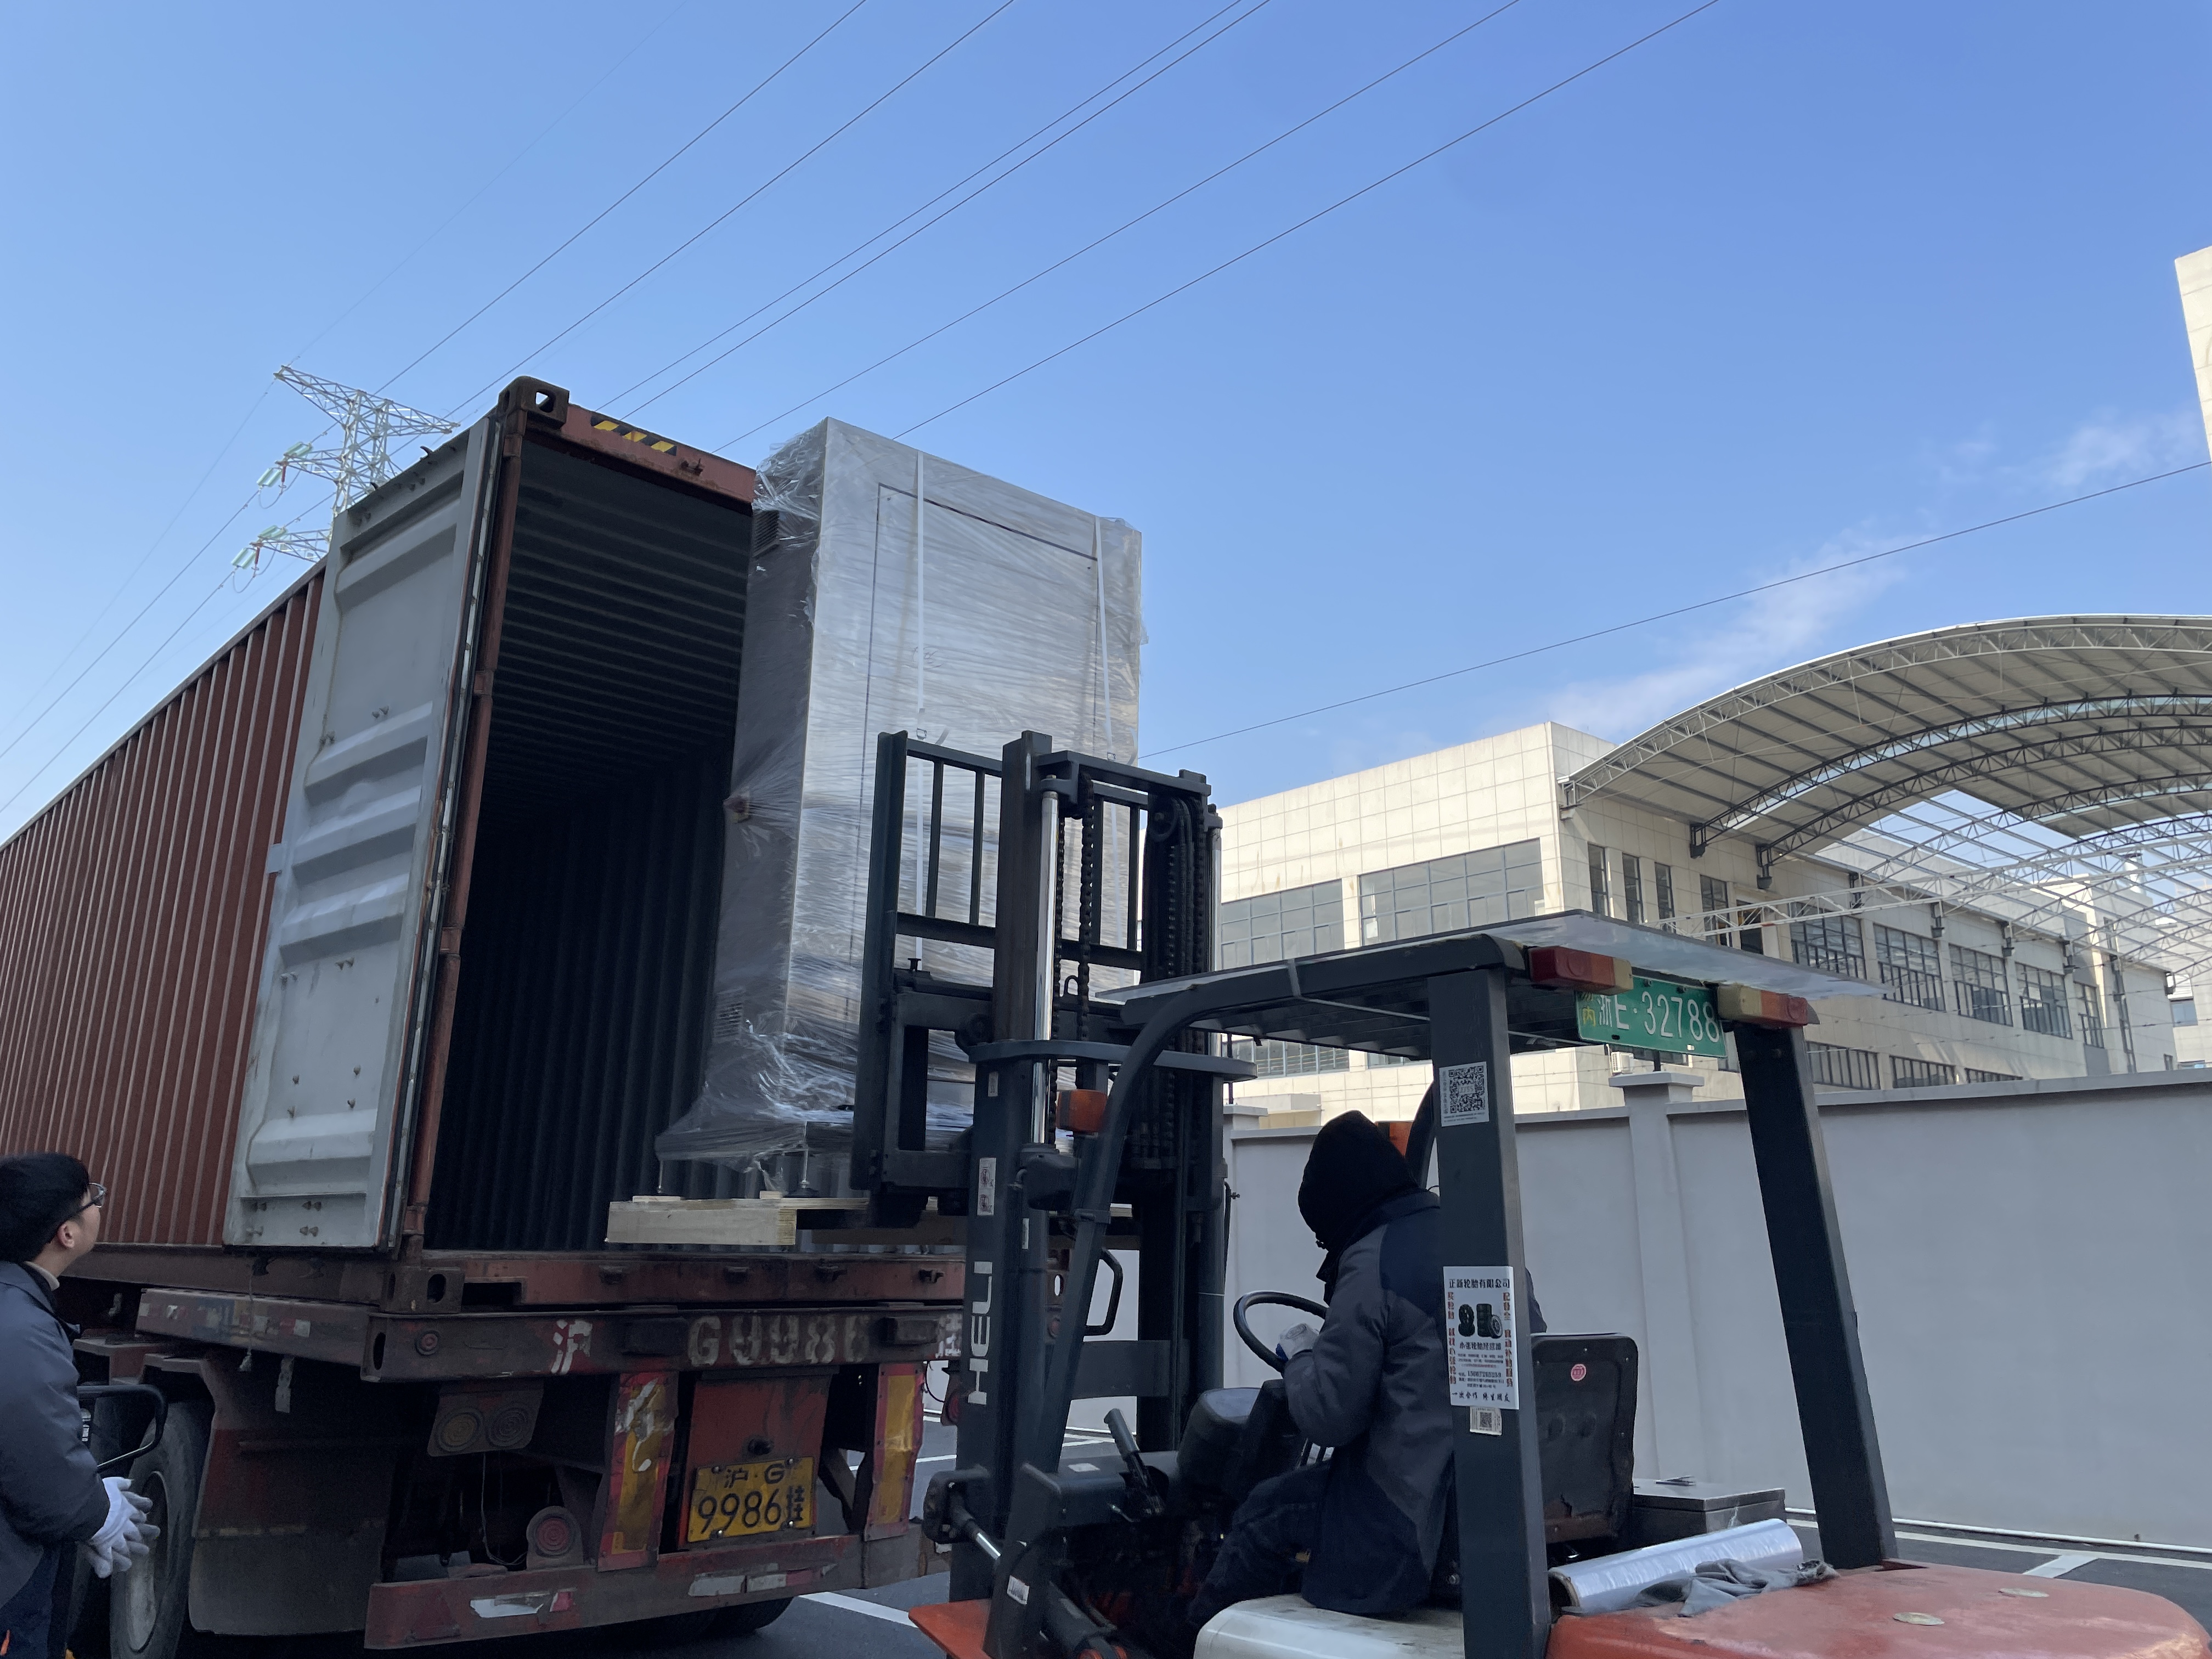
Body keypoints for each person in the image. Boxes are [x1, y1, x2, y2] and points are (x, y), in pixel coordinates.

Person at [1189, 1110, 1542, 1626]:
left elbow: (1331, 1416)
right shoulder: (1486, 1241)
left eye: (1324, 1238)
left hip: (1404, 1514)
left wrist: (1301, 1358)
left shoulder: (1372, 1259)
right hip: (1481, 1493)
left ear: (1340, 1212)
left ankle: (1191, 1641)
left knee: (1266, 1510)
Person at [1, 1153, 157, 1658]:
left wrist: (86, 1500)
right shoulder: (20, 1327)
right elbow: (33, 1455)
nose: (100, 1207)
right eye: (95, 1199)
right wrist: (95, 1514)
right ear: (65, 1234)